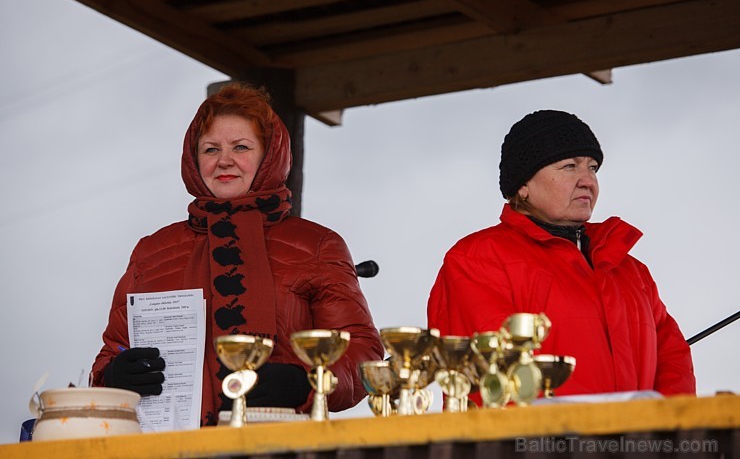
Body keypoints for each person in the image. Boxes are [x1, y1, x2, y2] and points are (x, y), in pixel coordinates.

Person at [91, 83, 384, 425]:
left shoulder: (317, 245)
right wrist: (114, 379)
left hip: (281, 446)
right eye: (211, 149)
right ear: (193, 158)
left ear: (269, 155)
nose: (224, 160)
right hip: (171, 446)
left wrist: (307, 382)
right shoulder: (151, 252)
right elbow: (110, 355)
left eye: (241, 147)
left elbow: (363, 354)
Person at [427, 110, 696, 398]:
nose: (587, 181)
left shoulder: (630, 270)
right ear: (523, 185)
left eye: (592, 168)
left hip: (640, 442)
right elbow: (490, 384)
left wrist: (670, 434)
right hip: (539, 442)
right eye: (569, 166)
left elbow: (674, 363)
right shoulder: (477, 259)